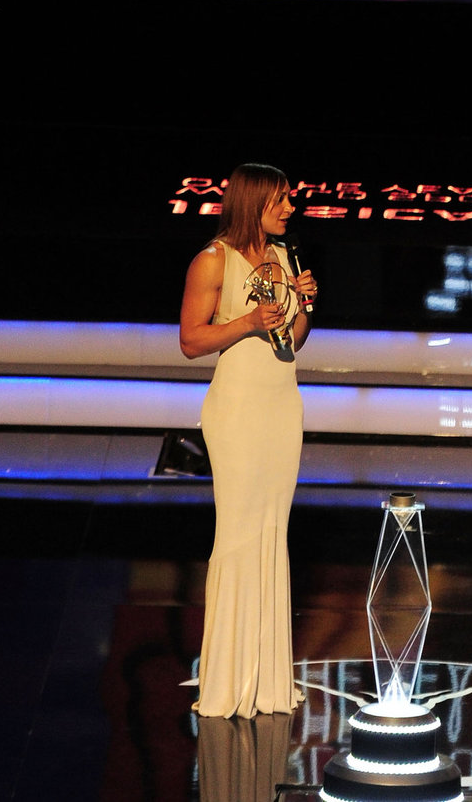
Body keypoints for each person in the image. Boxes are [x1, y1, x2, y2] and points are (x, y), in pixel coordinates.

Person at [179, 163, 316, 719]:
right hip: (237, 408)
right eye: (280, 200)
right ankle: (226, 679)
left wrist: (303, 305)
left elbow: (292, 341)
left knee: (270, 532)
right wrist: (248, 322)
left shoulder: (284, 256)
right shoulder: (214, 259)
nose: (289, 209)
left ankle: (265, 679)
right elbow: (191, 341)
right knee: (238, 534)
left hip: (282, 404)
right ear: (253, 202)